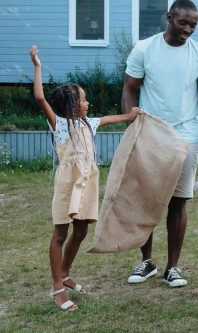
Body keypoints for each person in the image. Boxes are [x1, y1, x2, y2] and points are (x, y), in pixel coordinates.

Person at [31, 46, 140, 311]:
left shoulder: (88, 123)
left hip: (88, 181)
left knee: (81, 230)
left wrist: (129, 116)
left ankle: (66, 273)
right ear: (71, 105)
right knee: (60, 233)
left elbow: (108, 119)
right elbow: (39, 97)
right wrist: (37, 66)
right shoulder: (59, 125)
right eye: (83, 100)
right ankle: (57, 287)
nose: (87, 103)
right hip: (69, 183)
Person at [121, 0, 198, 287]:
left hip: (184, 138)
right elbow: (129, 89)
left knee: (178, 203)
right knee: (147, 201)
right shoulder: (144, 49)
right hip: (149, 135)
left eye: (193, 25)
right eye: (183, 23)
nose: (188, 29)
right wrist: (132, 126)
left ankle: (172, 268)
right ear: (169, 17)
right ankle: (146, 262)